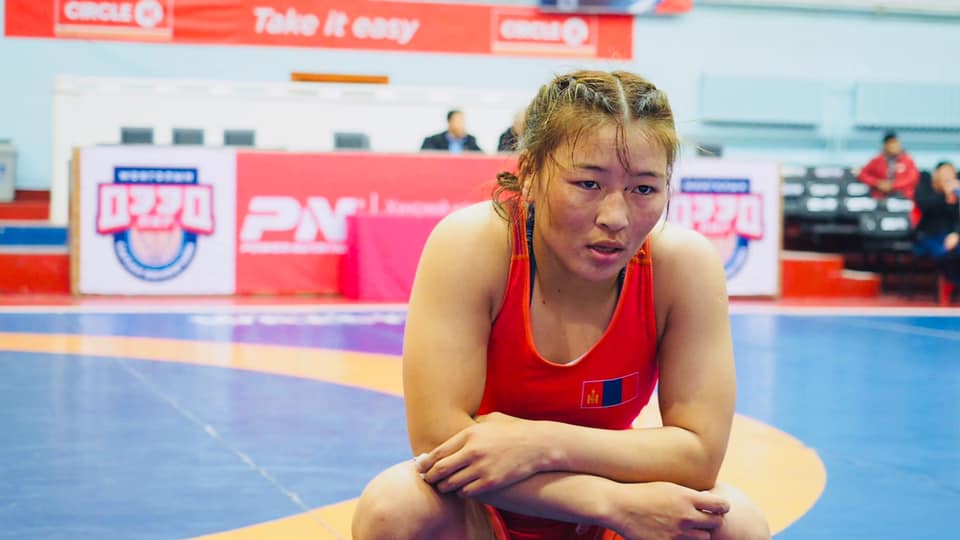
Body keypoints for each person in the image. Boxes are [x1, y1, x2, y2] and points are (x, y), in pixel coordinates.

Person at [354, 70, 770, 540]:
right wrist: (610, 502)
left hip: (614, 515)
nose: (615, 217)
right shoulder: (473, 245)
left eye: (644, 189)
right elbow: (440, 441)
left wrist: (543, 441)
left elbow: (700, 453)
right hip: (485, 508)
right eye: (588, 184)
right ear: (530, 174)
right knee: (395, 507)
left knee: (736, 523)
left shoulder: (683, 265)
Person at [914, 161, 960, 302]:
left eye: (951, 173)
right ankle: (950, 283)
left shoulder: (957, 192)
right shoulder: (926, 186)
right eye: (945, 173)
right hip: (927, 235)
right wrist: (943, 194)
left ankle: (952, 283)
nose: (948, 176)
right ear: (936, 174)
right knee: (942, 252)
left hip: (951, 235)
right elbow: (925, 207)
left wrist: (956, 234)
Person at [857, 131, 920, 200]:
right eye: (891, 143)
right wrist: (877, 183)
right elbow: (862, 174)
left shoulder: (908, 160)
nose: (894, 146)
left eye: (896, 142)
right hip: (880, 197)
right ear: (885, 145)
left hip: (902, 196)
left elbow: (912, 179)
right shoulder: (877, 160)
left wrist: (893, 185)